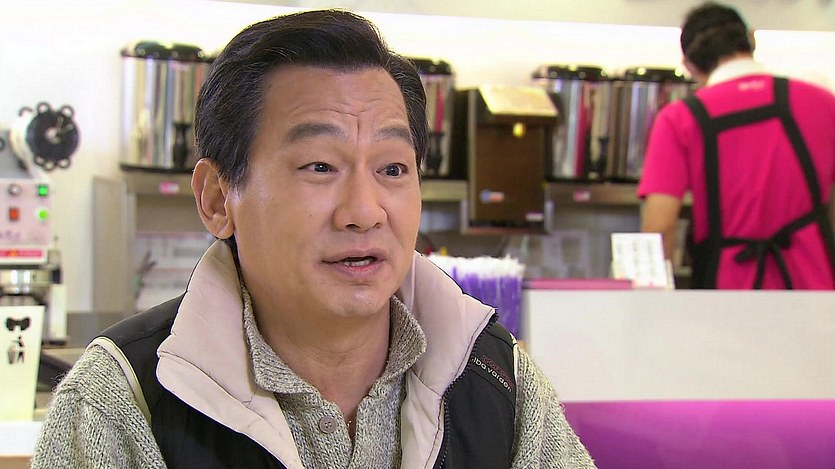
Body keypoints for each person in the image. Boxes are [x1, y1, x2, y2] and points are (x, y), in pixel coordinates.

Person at [32, 9, 596, 468]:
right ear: (217, 199)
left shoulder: (494, 376)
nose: (364, 212)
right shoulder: (123, 401)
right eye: (319, 166)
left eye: (393, 169)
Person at [638, 1, 835, 289]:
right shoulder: (821, 102)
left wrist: (650, 302)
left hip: (726, 293)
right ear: (752, 39)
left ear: (689, 66)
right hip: (815, 290)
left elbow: (659, 227)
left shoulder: (679, 119)